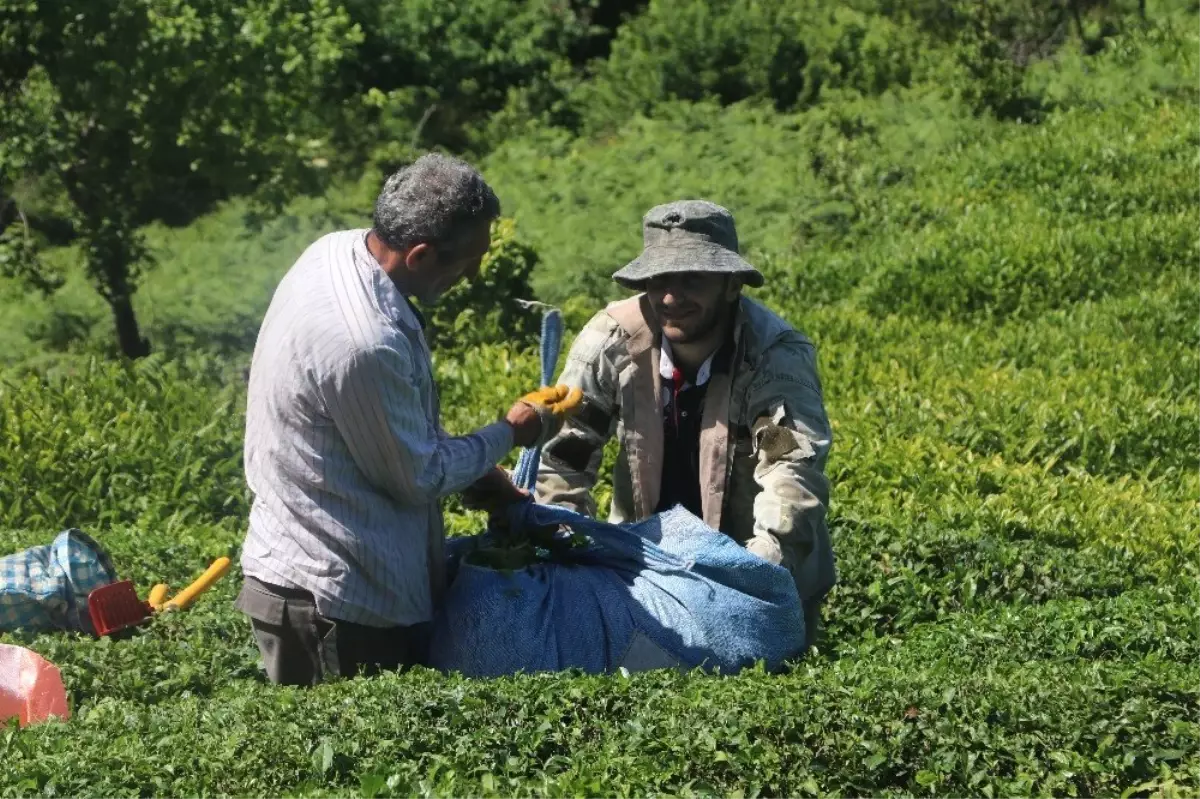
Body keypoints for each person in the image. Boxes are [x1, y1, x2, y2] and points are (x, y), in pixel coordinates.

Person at [235, 153, 578, 685]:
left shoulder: (339, 250)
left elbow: (387, 427)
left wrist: (480, 474)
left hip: (340, 585)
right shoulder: (362, 340)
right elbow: (416, 477)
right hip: (333, 604)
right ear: (419, 256)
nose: (475, 273)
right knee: (349, 763)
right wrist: (511, 433)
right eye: (470, 260)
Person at [535, 200, 835, 649]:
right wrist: (568, 547)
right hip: (644, 568)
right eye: (658, 281)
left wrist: (758, 571)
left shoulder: (772, 355)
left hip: (756, 568)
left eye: (692, 279)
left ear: (732, 285)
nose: (671, 298)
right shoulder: (611, 341)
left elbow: (789, 472)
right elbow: (566, 457)